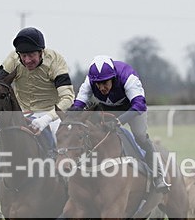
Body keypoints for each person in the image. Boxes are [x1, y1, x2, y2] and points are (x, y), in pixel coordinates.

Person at [0, 27, 75, 201]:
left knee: (60, 136)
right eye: (23, 56)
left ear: (41, 52)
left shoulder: (56, 61)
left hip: (52, 112)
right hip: (23, 111)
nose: (27, 60)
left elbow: (68, 98)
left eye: (31, 55)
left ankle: (69, 188)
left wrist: (46, 119)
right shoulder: (13, 59)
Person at [69, 55, 168, 192]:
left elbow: (139, 105)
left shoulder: (128, 77)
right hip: (108, 107)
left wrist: (119, 121)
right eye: (98, 84)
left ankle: (158, 175)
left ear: (114, 78)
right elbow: (79, 104)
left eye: (105, 83)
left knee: (139, 136)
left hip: (132, 108)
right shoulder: (89, 81)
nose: (102, 88)